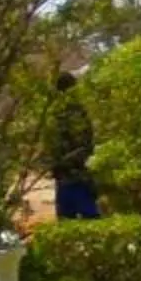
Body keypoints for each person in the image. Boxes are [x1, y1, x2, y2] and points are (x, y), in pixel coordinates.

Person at [47, 70, 100, 220]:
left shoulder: (59, 114)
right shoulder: (69, 114)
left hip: (73, 177)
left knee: (74, 219)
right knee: (84, 220)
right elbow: (87, 145)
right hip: (73, 177)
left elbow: (85, 145)